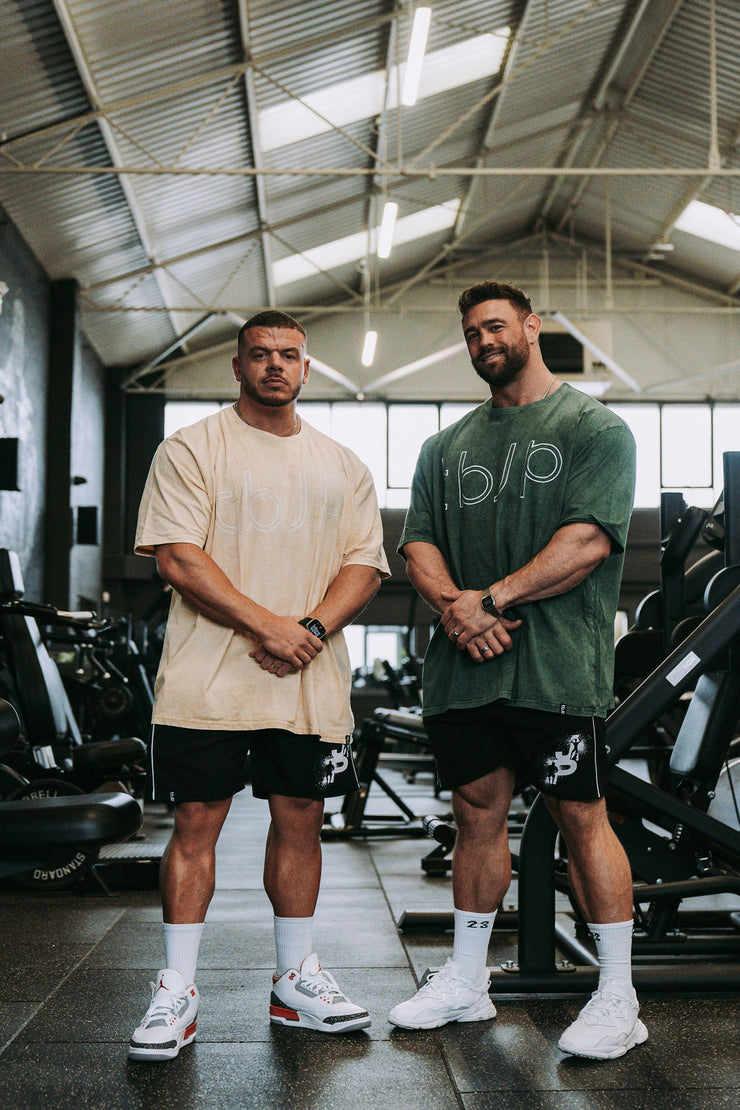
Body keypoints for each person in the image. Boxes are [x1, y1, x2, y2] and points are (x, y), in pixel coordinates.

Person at [388, 281, 643, 1061]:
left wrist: (485, 601)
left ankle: (619, 997)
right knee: (475, 815)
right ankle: (467, 981)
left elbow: (585, 546)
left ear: (532, 328)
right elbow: (417, 543)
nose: (482, 342)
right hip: (466, 673)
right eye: (470, 333)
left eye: (494, 326)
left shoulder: (595, 428)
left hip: (558, 667)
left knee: (580, 816)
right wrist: (455, 610)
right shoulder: (444, 446)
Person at [128, 310, 390, 1061]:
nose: (275, 366)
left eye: (289, 356)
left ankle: (294, 980)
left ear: (307, 370)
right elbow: (178, 558)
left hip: (306, 681)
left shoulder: (343, 464)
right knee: (195, 822)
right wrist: (271, 629)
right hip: (208, 680)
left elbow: (364, 567)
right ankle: (177, 989)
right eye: (260, 355)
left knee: (301, 816)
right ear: (237, 367)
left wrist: (304, 631)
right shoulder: (192, 448)